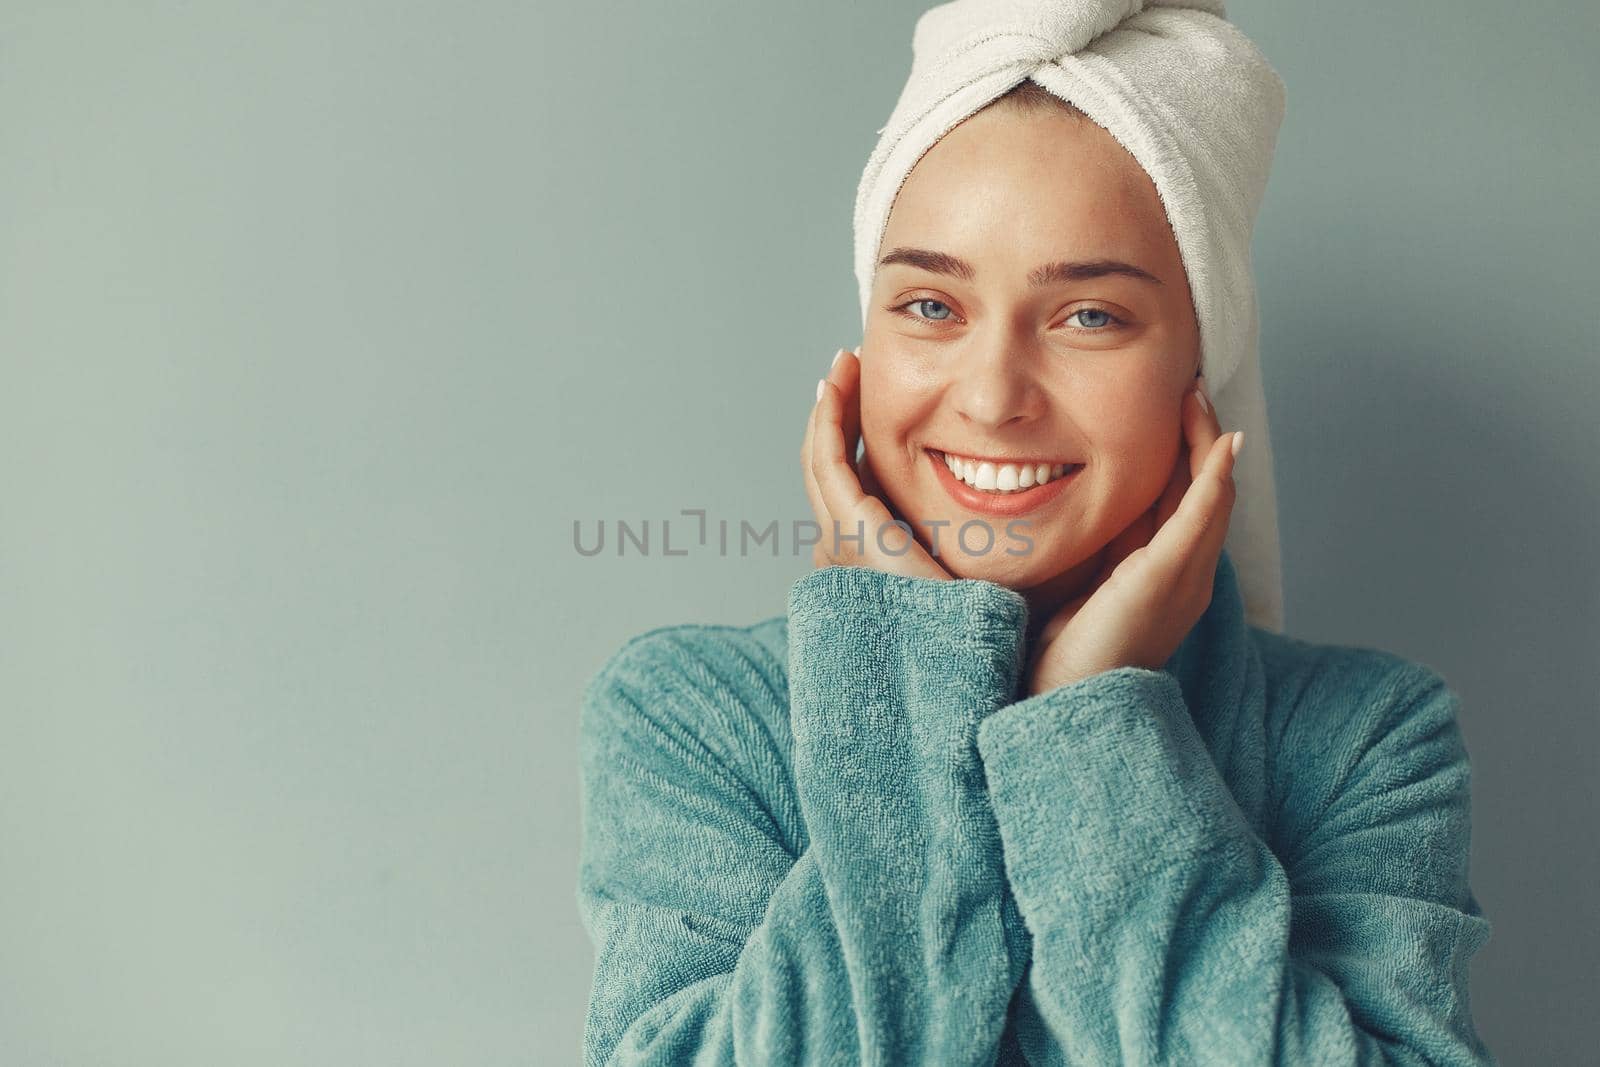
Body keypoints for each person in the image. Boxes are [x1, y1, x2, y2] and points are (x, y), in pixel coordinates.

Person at [575, 6, 1496, 1065]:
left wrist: (1091, 724)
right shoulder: (696, 717)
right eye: (929, 305)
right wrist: (901, 665)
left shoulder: (1364, 739)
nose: (993, 395)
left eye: (1088, 316)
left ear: (1201, 370)